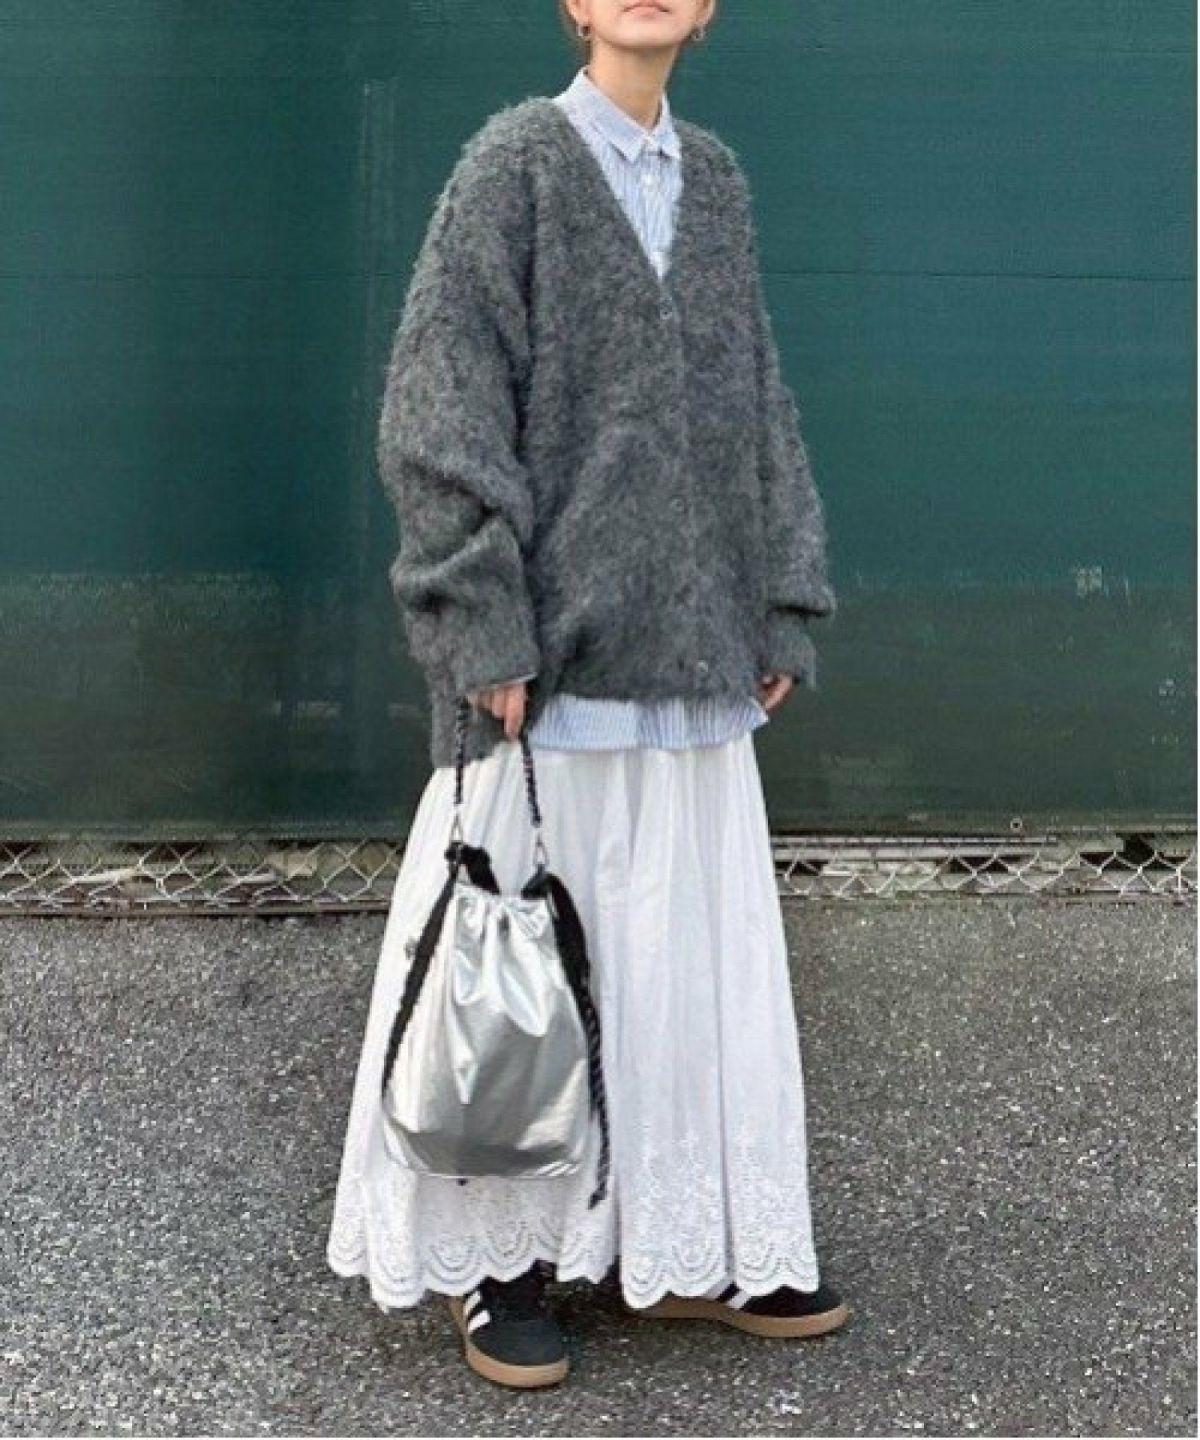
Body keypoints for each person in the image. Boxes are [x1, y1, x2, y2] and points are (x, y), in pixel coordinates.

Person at [327, 0, 850, 1389]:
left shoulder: (715, 182)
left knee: (683, 961)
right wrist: (480, 620)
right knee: (516, 962)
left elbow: (760, 405)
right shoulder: (515, 165)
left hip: (695, 667)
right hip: (544, 675)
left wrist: (782, 594)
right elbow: (440, 409)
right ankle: (496, 1259)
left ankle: (690, 1244)